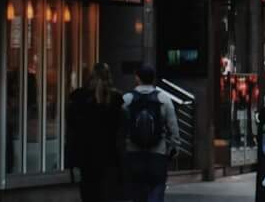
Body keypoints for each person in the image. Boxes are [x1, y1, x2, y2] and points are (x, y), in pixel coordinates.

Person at [119, 65, 179, 202]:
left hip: (133, 152)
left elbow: (119, 126)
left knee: (136, 189)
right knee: (157, 186)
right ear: (153, 79)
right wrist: (173, 148)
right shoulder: (164, 99)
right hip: (157, 153)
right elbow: (173, 127)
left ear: (137, 78)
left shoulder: (127, 99)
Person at [65, 64, 124, 202]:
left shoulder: (79, 97)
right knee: (105, 190)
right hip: (108, 153)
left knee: (88, 188)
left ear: (90, 77)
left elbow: (71, 124)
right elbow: (120, 127)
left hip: (86, 153)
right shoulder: (115, 98)